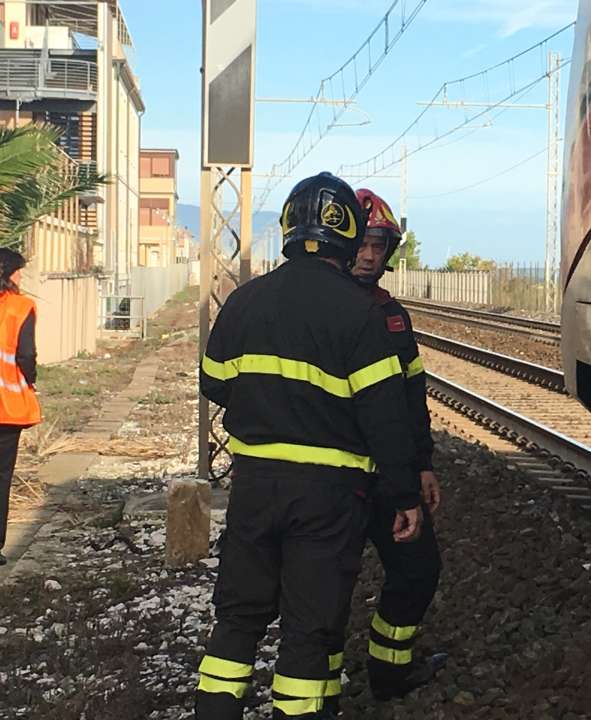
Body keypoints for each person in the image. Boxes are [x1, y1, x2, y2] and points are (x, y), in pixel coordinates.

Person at [195, 172, 424, 720]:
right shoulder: (361, 313)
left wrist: (269, 399)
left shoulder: (245, 301)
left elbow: (213, 381)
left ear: (289, 229)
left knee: (238, 618)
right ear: (347, 235)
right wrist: (403, 494)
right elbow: (386, 417)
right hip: (328, 495)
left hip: (254, 487)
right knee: (308, 627)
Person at [341, 188, 444, 704]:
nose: (368, 254)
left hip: (390, 479)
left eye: (379, 246)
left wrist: (422, 465)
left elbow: (411, 397)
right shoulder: (324, 309)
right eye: (360, 243)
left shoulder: (393, 316)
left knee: (419, 569)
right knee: (329, 585)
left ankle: (389, 671)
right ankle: (315, 685)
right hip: (335, 479)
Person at [0, 248, 41, 567]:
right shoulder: (21, 307)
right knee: (1, 475)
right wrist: (31, 380)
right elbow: (25, 355)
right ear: (8, 274)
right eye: (19, 271)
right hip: (6, 408)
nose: (21, 277)